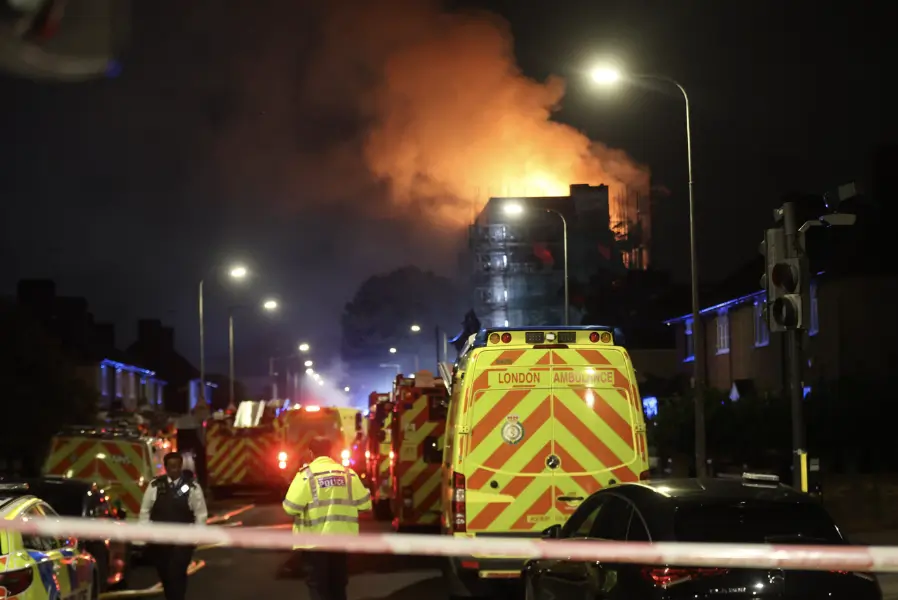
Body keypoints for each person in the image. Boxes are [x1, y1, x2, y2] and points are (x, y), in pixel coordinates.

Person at [283, 436, 372, 600]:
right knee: (338, 585)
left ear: (311, 453)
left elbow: (290, 507)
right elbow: (365, 504)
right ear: (331, 451)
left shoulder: (306, 476)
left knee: (319, 587)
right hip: (341, 541)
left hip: (314, 543)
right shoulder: (348, 474)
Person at [139, 451, 208, 600]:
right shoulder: (155, 486)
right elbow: (145, 512)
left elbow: (200, 513)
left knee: (176, 574)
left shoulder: (190, 487)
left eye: (177, 466)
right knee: (165, 575)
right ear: (166, 467)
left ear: (181, 466)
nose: (174, 470)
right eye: (171, 466)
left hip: (182, 542)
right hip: (160, 542)